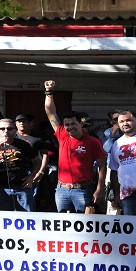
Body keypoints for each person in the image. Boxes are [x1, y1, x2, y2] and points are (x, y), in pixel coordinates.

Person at [43, 81, 106, 213]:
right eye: (66, 125)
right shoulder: (62, 135)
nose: (69, 127)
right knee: (64, 225)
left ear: (80, 123)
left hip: (83, 190)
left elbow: (102, 166)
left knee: (84, 225)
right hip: (61, 190)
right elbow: (50, 112)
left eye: (73, 124)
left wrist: (100, 189)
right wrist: (49, 91)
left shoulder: (92, 141)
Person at [0, 118, 41, 211]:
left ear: (15, 131)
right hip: (1, 189)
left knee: (27, 218)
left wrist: (32, 176)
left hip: (22, 187)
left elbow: (37, 162)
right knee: (5, 220)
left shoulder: (23, 144)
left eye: (9, 129)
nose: (6, 131)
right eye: (2, 129)